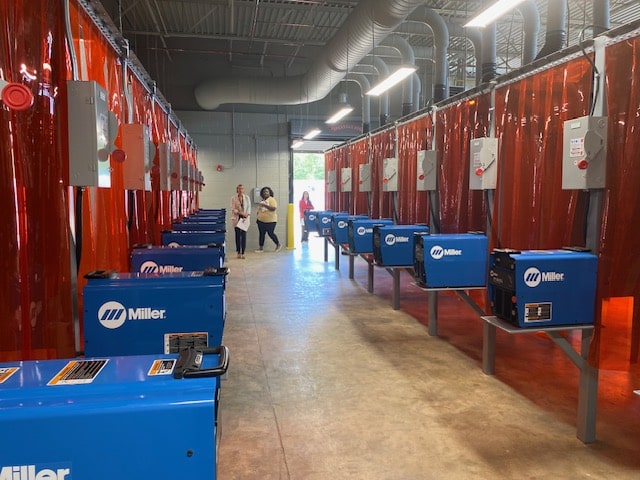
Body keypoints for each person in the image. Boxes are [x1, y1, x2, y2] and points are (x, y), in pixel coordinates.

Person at [255, 186, 282, 252]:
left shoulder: (272, 199)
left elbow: (273, 208)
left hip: (271, 221)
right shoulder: (262, 201)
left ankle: (278, 244)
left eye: (267, 191)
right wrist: (258, 215)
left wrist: (264, 205)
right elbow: (259, 209)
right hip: (261, 220)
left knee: (270, 233)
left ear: (270, 192)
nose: (265, 193)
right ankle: (261, 248)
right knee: (261, 234)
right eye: (264, 192)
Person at [230, 184, 251, 258]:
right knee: (238, 235)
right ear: (237, 190)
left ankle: (243, 252)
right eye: (239, 189)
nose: (240, 190)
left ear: (243, 190)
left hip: (245, 217)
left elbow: (249, 207)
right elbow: (233, 208)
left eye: (242, 189)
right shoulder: (233, 198)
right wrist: (240, 212)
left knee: (244, 235)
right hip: (237, 217)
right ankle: (238, 252)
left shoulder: (247, 198)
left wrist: (246, 215)